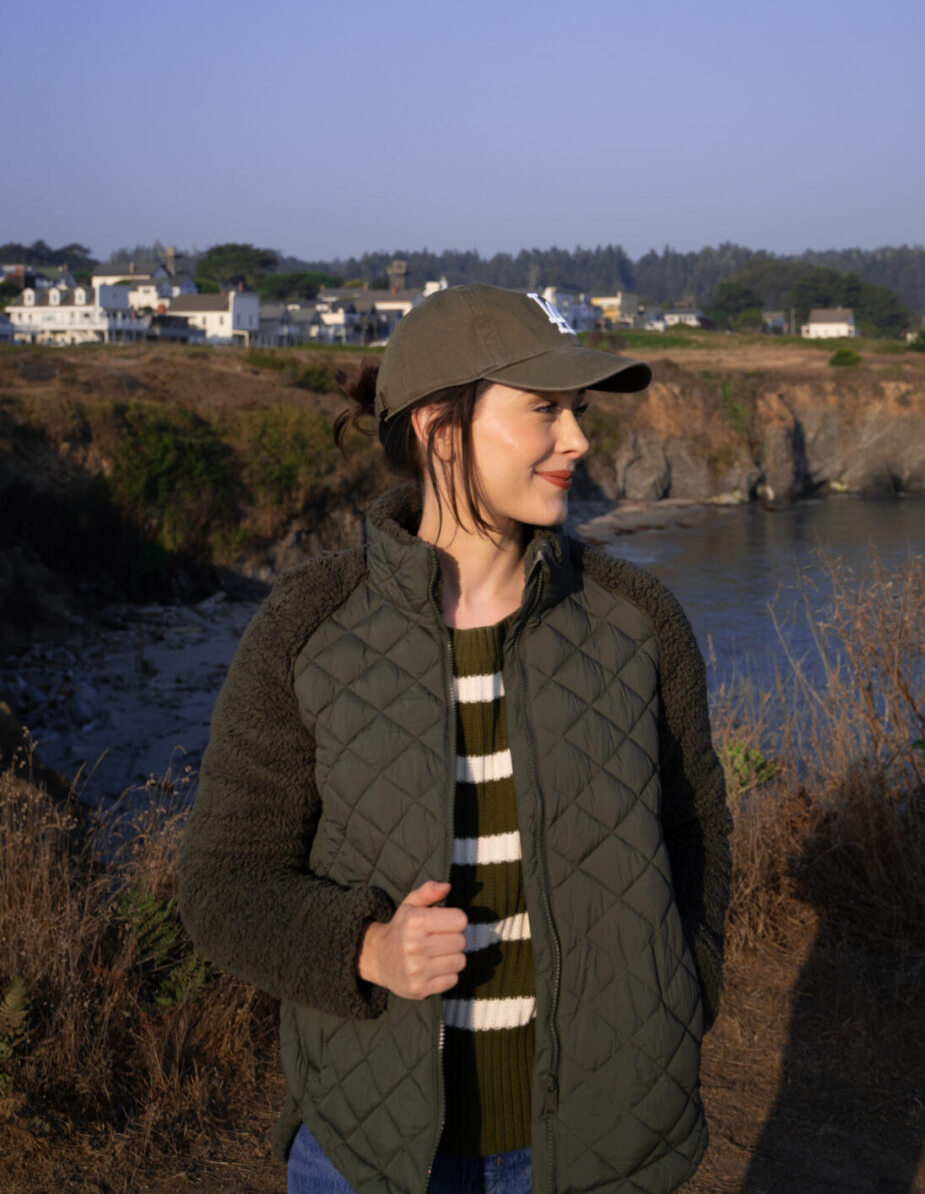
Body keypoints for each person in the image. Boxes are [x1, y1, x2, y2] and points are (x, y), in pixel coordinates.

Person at [178, 284, 731, 1194]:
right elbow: (222, 882)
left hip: (605, 1141)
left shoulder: (638, 621)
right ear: (442, 426)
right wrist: (364, 949)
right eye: (544, 410)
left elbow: (697, 828)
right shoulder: (307, 628)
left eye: (578, 411)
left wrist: (679, 1001)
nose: (578, 440)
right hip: (370, 1148)